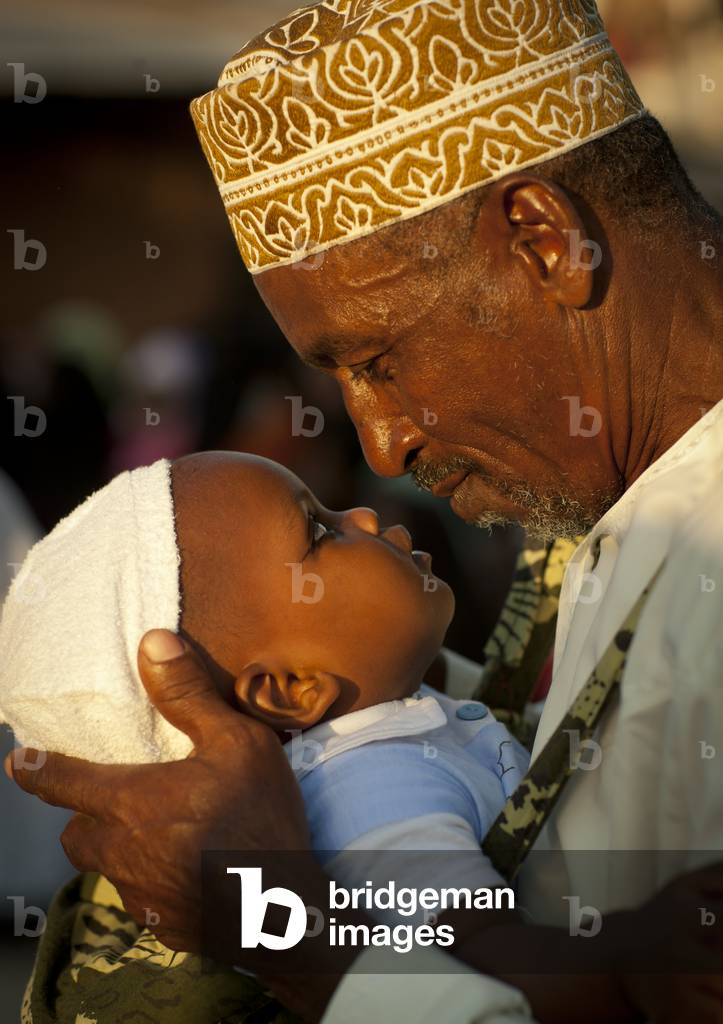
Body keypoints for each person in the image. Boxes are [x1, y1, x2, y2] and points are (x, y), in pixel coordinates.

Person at [7, 0, 723, 1021]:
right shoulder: (610, 508)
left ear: (543, 240)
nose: (383, 446)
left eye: (382, 359)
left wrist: (276, 926)